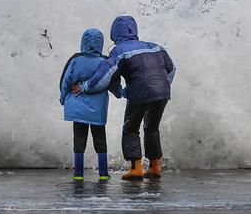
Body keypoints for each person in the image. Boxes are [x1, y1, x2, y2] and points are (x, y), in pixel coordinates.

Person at [71, 16, 175, 180]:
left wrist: (83, 87)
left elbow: (104, 76)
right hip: (162, 93)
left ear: (114, 35)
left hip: (139, 93)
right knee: (151, 128)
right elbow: (171, 70)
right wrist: (162, 86)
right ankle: (155, 167)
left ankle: (136, 169)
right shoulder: (156, 47)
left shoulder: (119, 51)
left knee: (131, 128)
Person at [60, 28, 121, 181]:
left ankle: (79, 174)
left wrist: (62, 98)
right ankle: (103, 173)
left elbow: (65, 81)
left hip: (77, 106)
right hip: (97, 109)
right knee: (100, 140)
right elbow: (112, 81)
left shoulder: (75, 59)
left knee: (79, 140)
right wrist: (120, 93)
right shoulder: (105, 61)